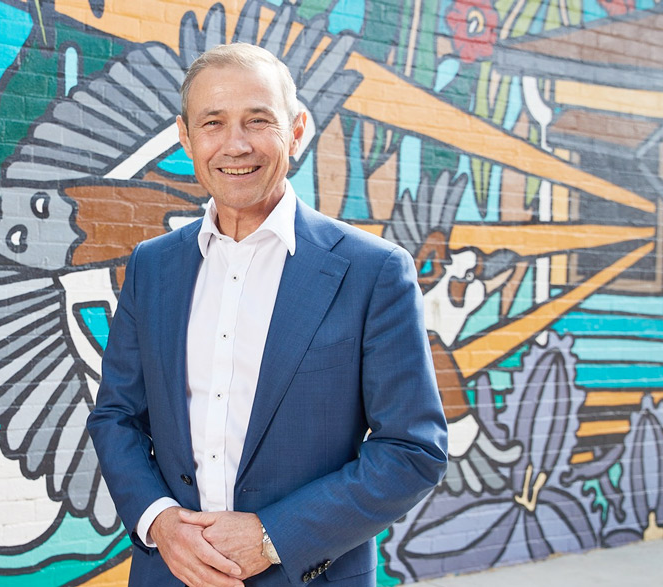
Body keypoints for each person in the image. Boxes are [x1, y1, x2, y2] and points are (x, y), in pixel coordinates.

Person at [86, 43, 448, 586]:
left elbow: (412, 449)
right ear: (185, 137)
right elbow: (117, 417)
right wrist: (160, 523)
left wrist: (273, 535)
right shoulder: (152, 266)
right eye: (213, 122)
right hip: (170, 573)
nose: (236, 145)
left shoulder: (373, 271)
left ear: (297, 130)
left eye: (258, 121)